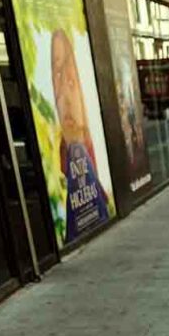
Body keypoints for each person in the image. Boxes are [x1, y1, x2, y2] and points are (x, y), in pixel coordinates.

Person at [51, 28, 111, 243]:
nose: (65, 97)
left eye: (71, 81)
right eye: (57, 76)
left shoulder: (85, 150)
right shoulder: (62, 153)